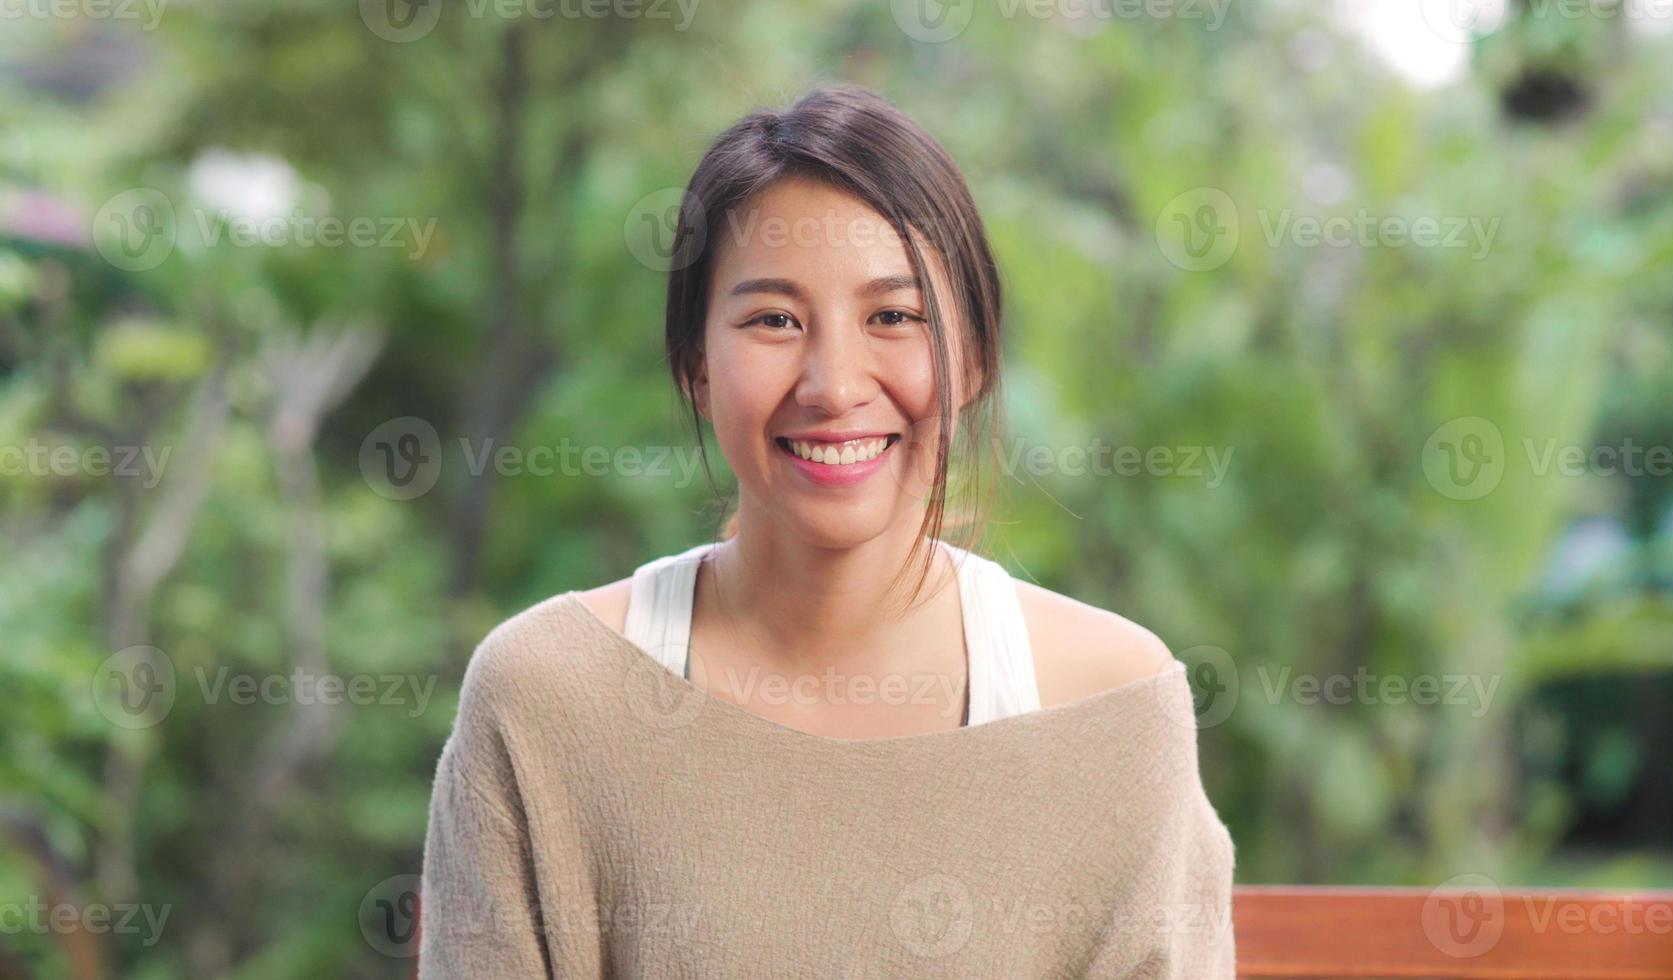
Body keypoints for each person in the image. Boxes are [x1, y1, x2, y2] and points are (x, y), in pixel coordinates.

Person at [417, 84, 1236, 977]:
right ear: (696, 366)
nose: (834, 384)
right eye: (774, 320)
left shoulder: (1109, 708)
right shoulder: (546, 698)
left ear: (977, 359)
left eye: (894, 316)